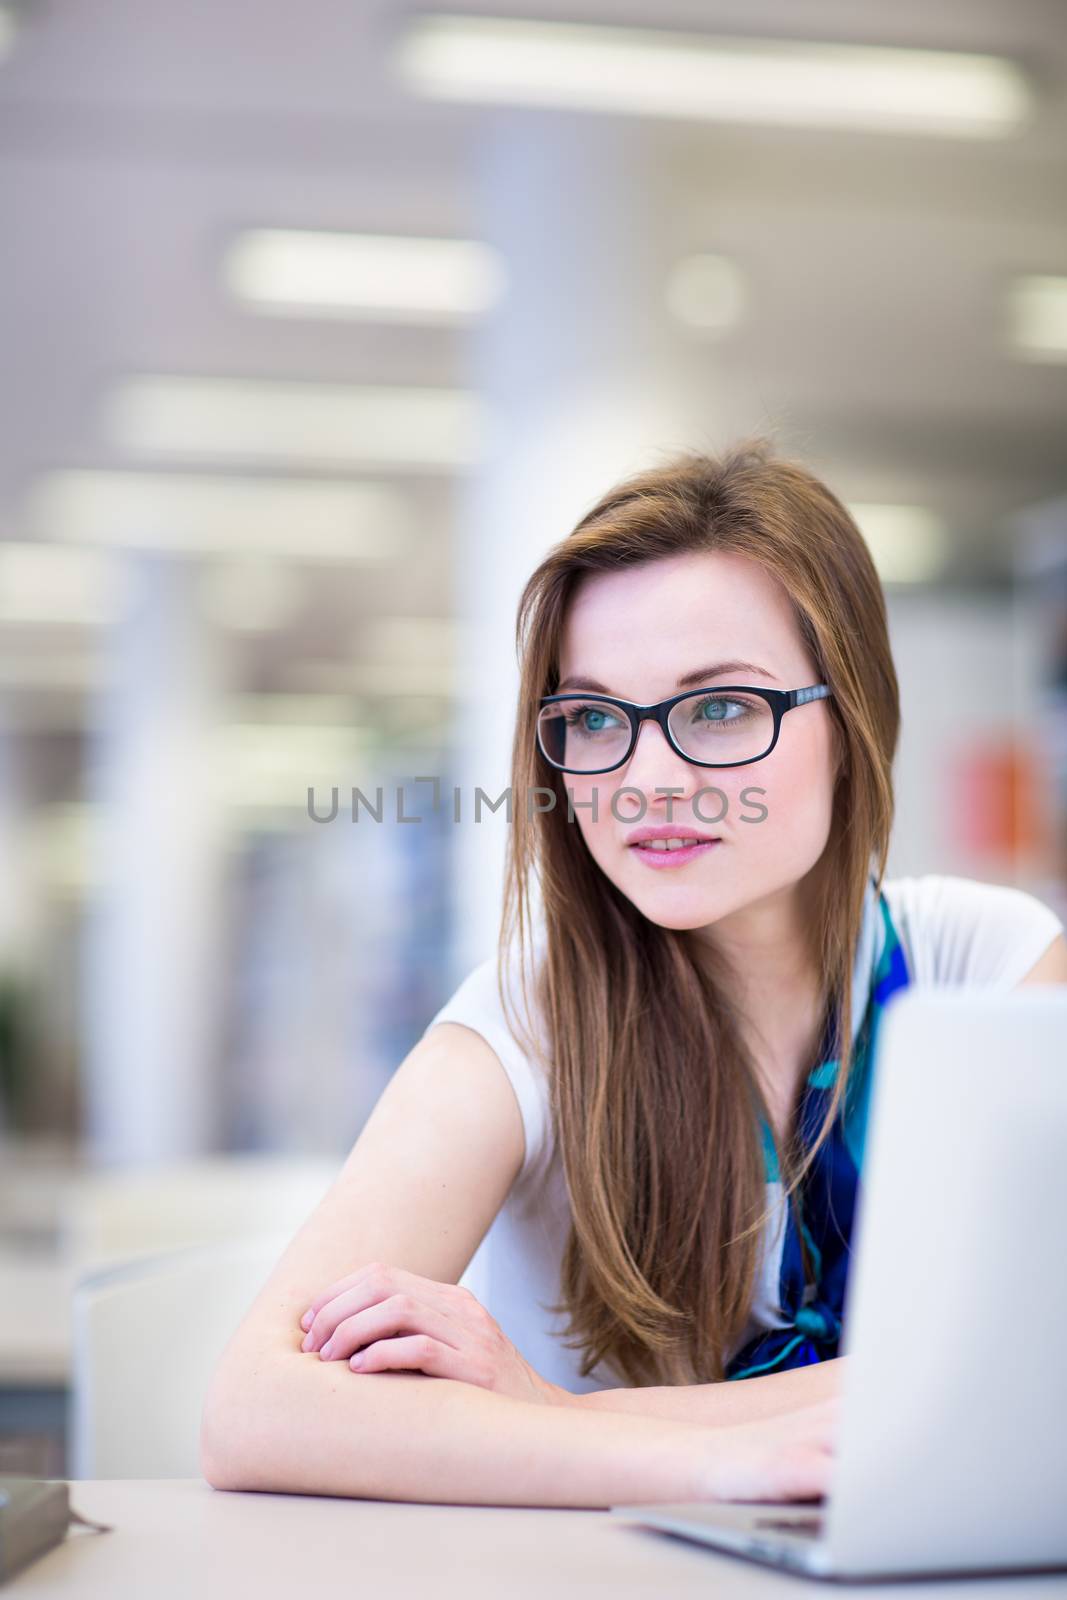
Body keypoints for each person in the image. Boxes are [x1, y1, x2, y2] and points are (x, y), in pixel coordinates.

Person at [201, 438, 1067, 1510]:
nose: (648, 780)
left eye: (717, 708)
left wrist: (547, 1420)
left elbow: (1035, 1366)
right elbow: (252, 1408)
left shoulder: (986, 963)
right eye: (596, 719)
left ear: (847, 721)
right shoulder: (521, 1029)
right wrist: (713, 1461)